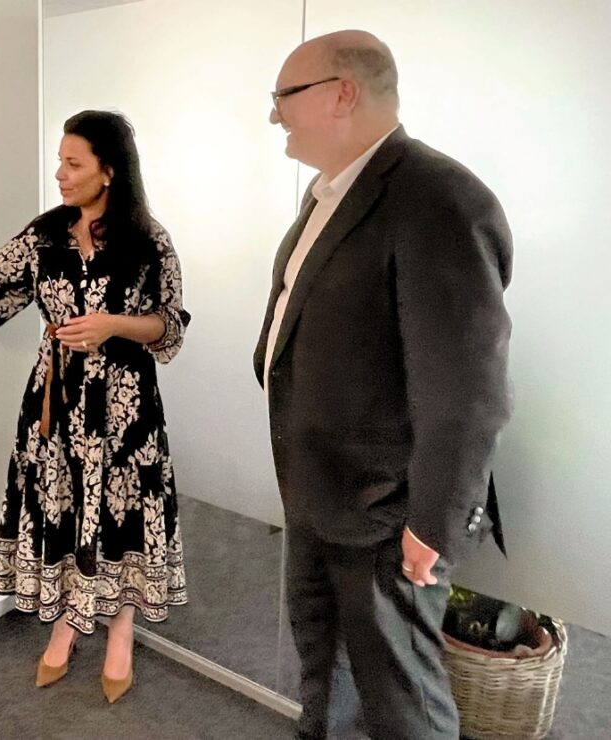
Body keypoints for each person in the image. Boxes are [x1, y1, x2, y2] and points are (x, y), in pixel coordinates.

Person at [253, 31, 513, 739]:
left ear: (343, 93)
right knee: (324, 667)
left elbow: (467, 387)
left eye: (284, 97)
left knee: (401, 695)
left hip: (385, 508)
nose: (275, 115)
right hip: (318, 487)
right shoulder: (331, 193)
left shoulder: (436, 198)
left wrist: (434, 519)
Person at [0, 110, 188, 703]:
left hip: (125, 407)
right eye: (60, 161)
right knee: (64, 508)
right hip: (56, 400)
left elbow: (169, 326)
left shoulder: (149, 240)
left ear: (110, 170)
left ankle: (121, 627)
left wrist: (112, 326)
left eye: (73, 164)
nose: (60, 174)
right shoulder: (45, 233)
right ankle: (70, 620)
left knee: (121, 516)